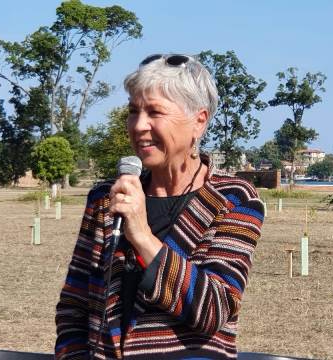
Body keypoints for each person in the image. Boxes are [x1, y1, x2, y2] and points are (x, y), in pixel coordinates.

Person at [55, 54, 264, 359]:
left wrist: (141, 233)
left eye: (155, 112)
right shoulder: (107, 197)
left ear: (199, 120)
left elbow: (213, 309)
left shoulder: (234, 199)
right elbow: (74, 308)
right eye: (133, 111)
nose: (139, 125)